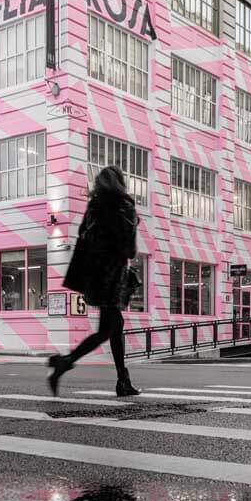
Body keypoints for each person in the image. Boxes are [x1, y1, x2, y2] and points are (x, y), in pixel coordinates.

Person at [48, 165, 140, 397]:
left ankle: (122, 380)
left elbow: (83, 237)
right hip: (113, 277)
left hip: (97, 277)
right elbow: (129, 249)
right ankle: (65, 362)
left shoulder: (94, 207)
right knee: (107, 330)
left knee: (113, 328)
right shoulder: (124, 206)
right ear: (120, 182)